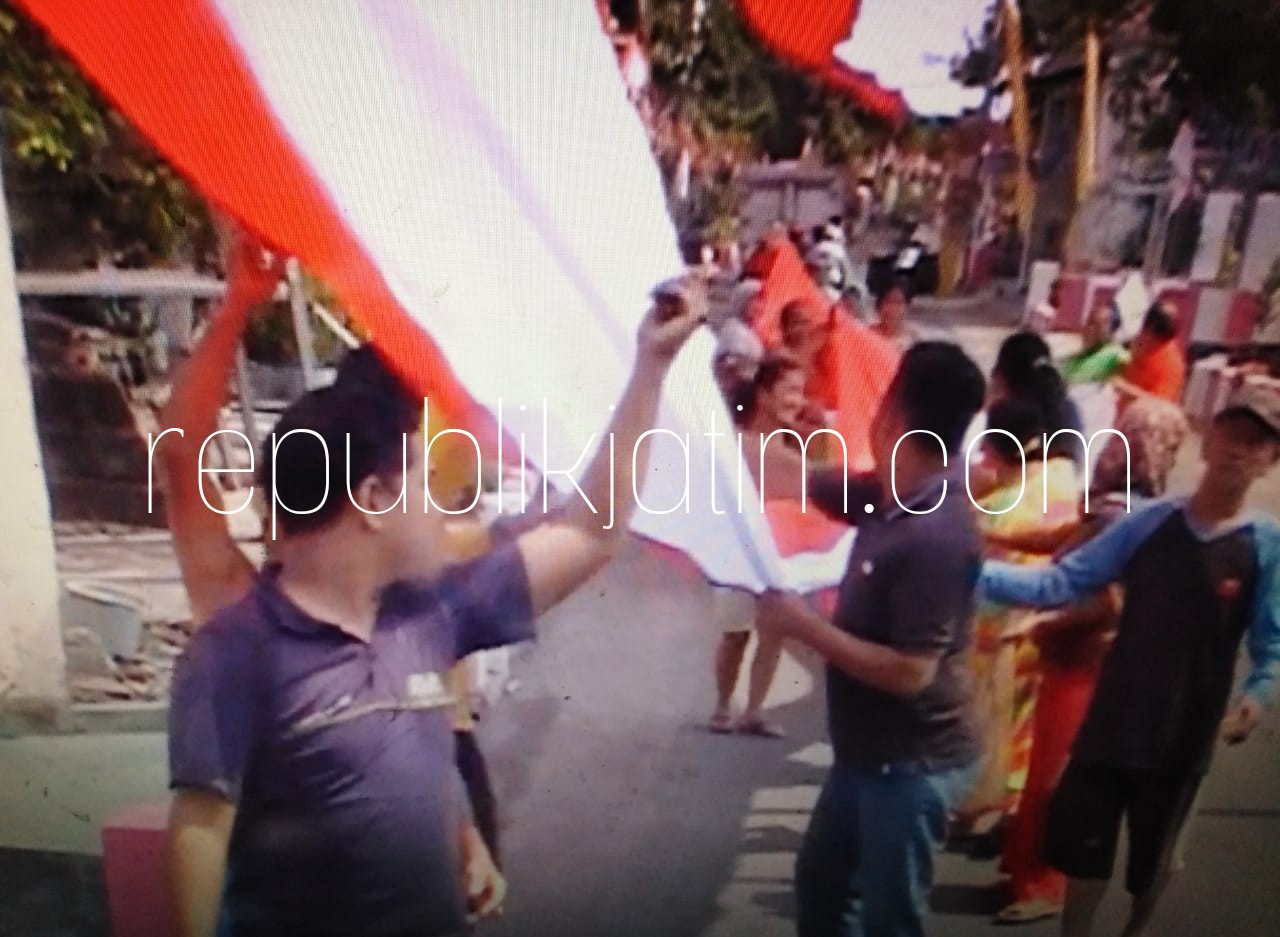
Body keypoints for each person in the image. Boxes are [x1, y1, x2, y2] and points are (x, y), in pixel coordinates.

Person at [165, 278, 704, 937]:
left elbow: (590, 530)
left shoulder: (430, 613)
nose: (443, 505)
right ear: (372, 499)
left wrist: (651, 366)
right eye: (422, 481)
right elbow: (200, 832)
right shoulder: (236, 651)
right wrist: (237, 305)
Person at [155, 237, 511, 919]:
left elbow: (416, 743)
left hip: (442, 771)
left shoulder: (409, 565)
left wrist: (460, 832)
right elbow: (180, 461)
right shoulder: (248, 619)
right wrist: (236, 304)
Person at [978, 385, 1280, 937]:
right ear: (1208, 441)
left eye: (1255, 443)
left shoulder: (1264, 544)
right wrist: (969, 571)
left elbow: (1271, 641)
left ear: (1270, 461)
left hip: (1186, 736)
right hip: (1113, 723)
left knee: (1153, 865)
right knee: (1085, 858)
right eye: (1230, 435)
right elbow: (1063, 581)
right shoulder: (1147, 522)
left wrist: (1256, 699)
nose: (1238, 450)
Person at [755, 342, 988, 937]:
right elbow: (810, 481)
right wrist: (732, 446)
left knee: (887, 919)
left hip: (909, 765)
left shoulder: (936, 531)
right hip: (868, 755)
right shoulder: (897, 491)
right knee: (824, 890)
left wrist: (803, 625)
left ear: (893, 418)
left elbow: (912, 672)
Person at [956, 398, 1080, 842]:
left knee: (988, 727)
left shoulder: (992, 510)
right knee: (1025, 727)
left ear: (992, 448)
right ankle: (1011, 810)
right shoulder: (1062, 480)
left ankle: (976, 811)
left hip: (995, 635)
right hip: (1048, 626)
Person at [709, 354, 823, 738]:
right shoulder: (735, 440)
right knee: (736, 631)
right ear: (763, 394)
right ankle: (723, 707)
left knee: (775, 631)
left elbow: (816, 492)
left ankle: (753, 711)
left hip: (782, 549)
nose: (797, 400)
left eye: (801, 391)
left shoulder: (798, 443)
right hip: (738, 547)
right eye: (789, 390)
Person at [1115, 301, 1186, 405]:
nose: (1146, 336)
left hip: (1142, 413)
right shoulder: (1133, 341)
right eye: (1146, 331)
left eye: (1160, 339)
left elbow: (1159, 403)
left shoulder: (1172, 364)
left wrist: (1124, 387)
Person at [1058, 300, 1126, 387]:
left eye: (1097, 325)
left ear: (1111, 331)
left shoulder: (1117, 356)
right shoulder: (1078, 356)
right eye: (1089, 322)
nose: (1089, 329)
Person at [870, 283, 917, 353]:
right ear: (879, 305)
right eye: (887, 302)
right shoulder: (866, 335)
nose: (892, 308)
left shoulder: (914, 341)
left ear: (907, 307)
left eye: (898, 303)